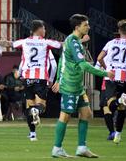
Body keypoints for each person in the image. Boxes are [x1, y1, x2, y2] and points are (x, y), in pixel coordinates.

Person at [51, 14, 114, 158]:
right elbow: (84, 64)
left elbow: (62, 59)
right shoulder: (73, 42)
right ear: (77, 27)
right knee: (65, 116)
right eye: (86, 25)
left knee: (86, 113)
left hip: (77, 85)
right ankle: (57, 148)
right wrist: (105, 73)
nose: (89, 27)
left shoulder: (75, 41)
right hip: (71, 85)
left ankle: (81, 147)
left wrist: (58, 79)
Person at [13, 20, 62, 141]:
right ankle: (36, 111)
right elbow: (54, 64)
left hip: (27, 77)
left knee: (29, 105)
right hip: (40, 78)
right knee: (41, 106)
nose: (45, 31)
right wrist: (51, 79)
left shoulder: (25, 42)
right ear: (39, 29)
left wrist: (19, 73)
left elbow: (14, 48)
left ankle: (33, 134)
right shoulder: (46, 45)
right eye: (44, 28)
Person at [97, 19, 126, 144]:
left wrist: (107, 69)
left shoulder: (110, 43)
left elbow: (100, 58)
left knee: (110, 104)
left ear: (119, 30)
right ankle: (118, 135)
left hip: (111, 77)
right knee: (122, 108)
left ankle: (117, 102)